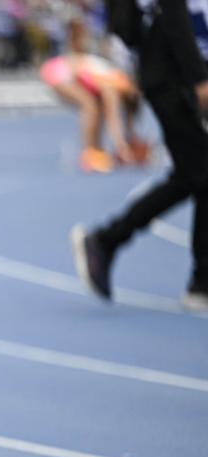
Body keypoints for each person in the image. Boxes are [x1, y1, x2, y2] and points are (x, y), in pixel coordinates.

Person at [72, 0, 208, 310]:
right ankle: (106, 239)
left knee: (200, 175)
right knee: (197, 173)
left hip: (182, 73)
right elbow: (173, 14)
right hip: (175, 78)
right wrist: (200, 81)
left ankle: (201, 282)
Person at [40, 18, 148, 173]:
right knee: (89, 105)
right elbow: (113, 118)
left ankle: (96, 150)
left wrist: (131, 140)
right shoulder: (113, 86)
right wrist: (121, 147)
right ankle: (89, 153)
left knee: (95, 106)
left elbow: (126, 118)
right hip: (59, 72)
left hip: (73, 73)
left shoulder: (126, 91)